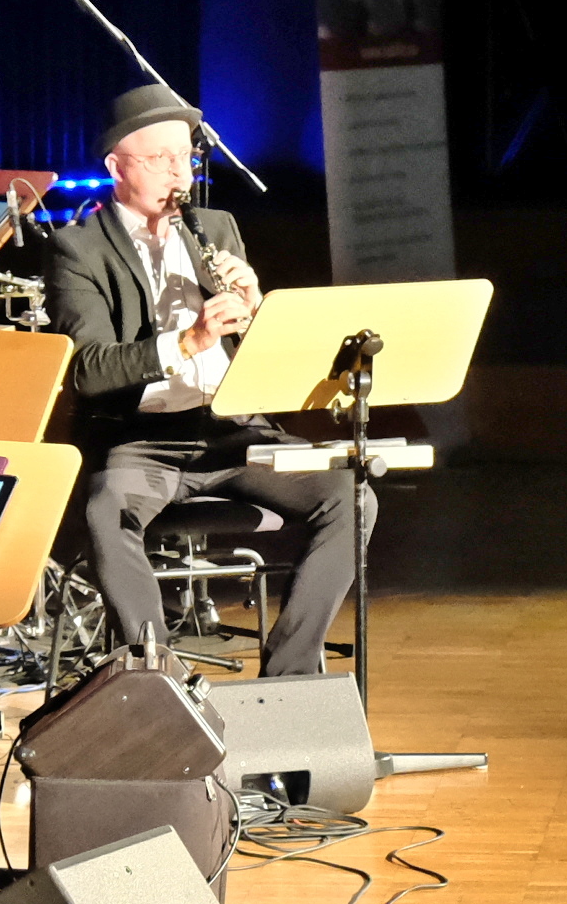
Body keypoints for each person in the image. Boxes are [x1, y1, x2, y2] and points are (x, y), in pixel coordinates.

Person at [43, 84, 372, 677]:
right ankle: (158, 679)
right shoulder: (78, 249)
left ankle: (290, 672)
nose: (180, 173)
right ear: (117, 166)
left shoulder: (216, 227)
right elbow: (89, 370)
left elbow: (259, 353)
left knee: (352, 496)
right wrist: (188, 340)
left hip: (231, 430)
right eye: (162, 159)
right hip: (143, 440)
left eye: (186, 158)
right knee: (106, 508)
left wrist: (256, 310)